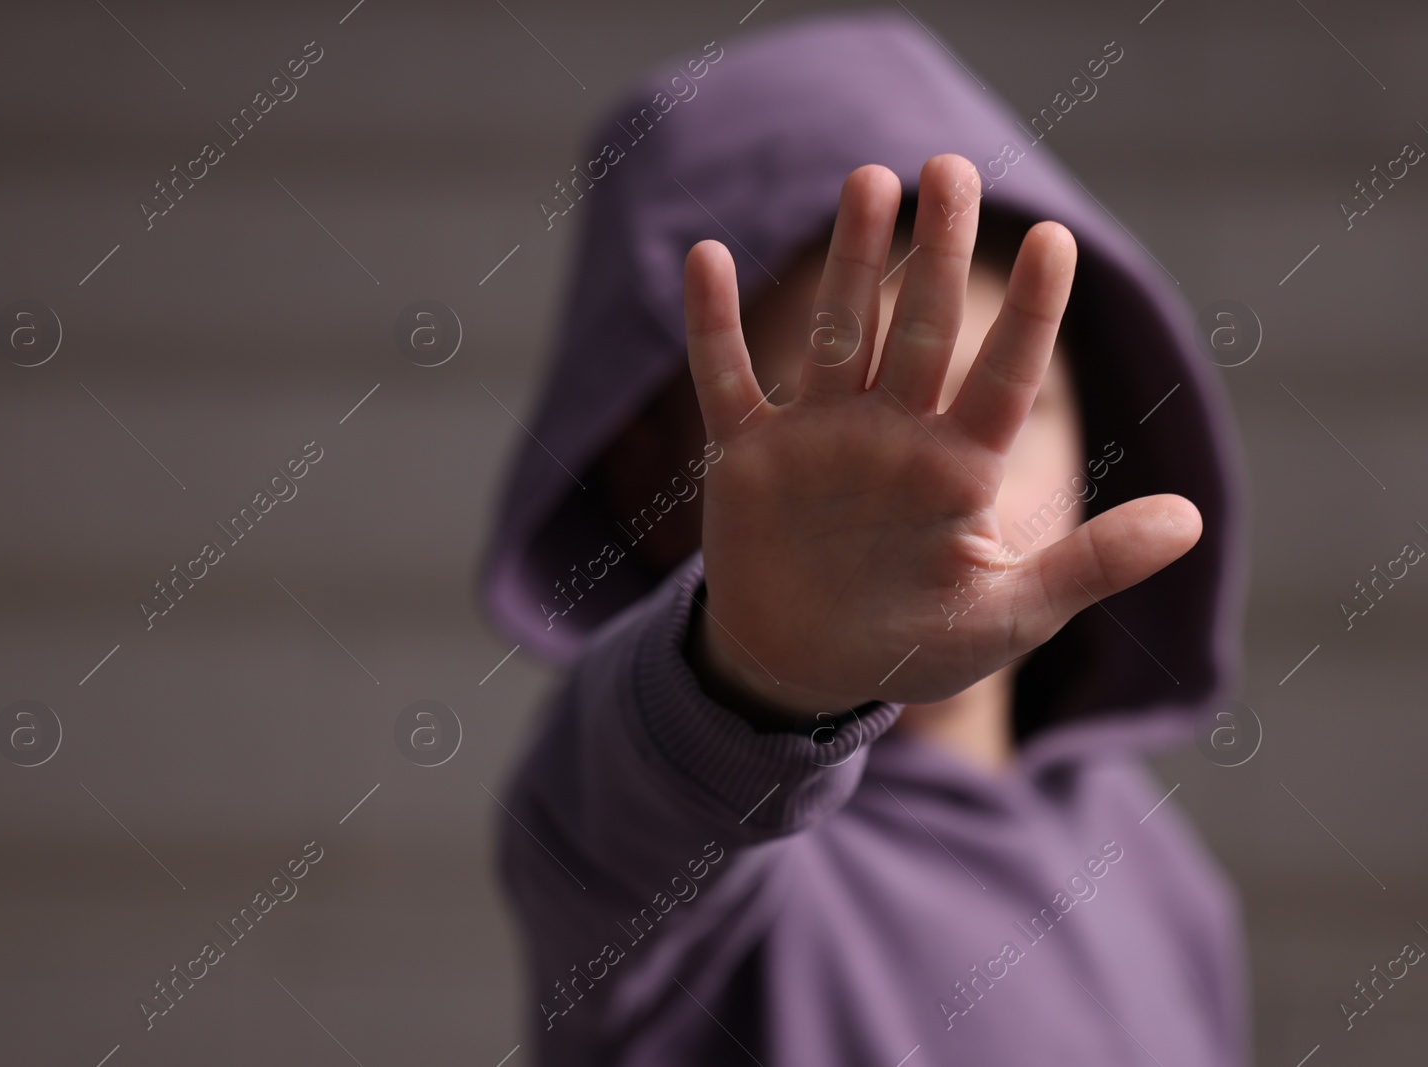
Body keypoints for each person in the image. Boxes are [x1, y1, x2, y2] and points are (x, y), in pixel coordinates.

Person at [481, 11, 1251, 1065]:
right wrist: (765, 664)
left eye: (1009, 408)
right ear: (648, 478)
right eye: (840, 430)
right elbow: (616, 808)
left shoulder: (1153, 861)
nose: (952, 482)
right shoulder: (688, 854)